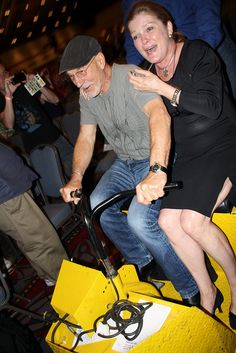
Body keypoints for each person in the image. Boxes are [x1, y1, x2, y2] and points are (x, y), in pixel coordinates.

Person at [58, 34, 200, 305]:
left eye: (81, 72)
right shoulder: (87, 94)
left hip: (158, 158)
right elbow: (86, 137)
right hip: (126, 161)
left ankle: (190, 287)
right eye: (72, 77)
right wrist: (76, 177)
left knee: (140, 220)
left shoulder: (132, 77)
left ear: (100, 60)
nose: (77, 82)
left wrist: (157, 169)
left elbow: (159, 115)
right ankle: (143, 260)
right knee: (97, 204)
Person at [126, 1, 236, 329]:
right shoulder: (150, 73)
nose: (143, 39)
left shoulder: (198, 52)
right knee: (167, 221)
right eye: (135, 35)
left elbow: (212, 107)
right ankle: (207, 292)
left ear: (169, 28)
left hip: (225, 143)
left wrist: (160, 88)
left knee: (192, 222)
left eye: (149, 28)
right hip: (190, 157)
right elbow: (156, 123)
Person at [122, 0, 236, 100]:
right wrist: (135, 73)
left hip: (209, 46)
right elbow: (131, 37)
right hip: (166, 59)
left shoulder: (200, 51)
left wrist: (199, 55)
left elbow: (207, 13)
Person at [0, 137, 69, 285]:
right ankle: (65, 279)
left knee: (28, 239)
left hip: (9, 192)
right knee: (41, 239)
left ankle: (50, 275)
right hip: (8, 195)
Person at [0, 63, 73, 177]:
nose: (4, 76)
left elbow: (55, 100)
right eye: (0, 75)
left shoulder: (24, 87)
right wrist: (8, 97)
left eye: (4, 72)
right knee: (55, 184)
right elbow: (8, 125)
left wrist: (38, 83)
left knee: (78, 171)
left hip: (55, 139)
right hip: (36, 150)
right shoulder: (1, 102)